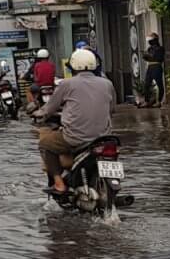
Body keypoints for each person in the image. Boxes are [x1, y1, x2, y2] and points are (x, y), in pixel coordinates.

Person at [34, 48, 114, 194]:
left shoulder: (67, 84)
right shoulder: (107, 83)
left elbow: (49, 109)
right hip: (104, 138)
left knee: (45, 144)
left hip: (75, 137)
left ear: (73, 67)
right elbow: (112, 109)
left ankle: (59, 184)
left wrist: (38, 113)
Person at [139, 32, 167, 108]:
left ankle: (159, 101)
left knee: (159, 84)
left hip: (157, 66)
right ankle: (146, 101)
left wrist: (150, 55)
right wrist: (145, 55)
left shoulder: (160, 48)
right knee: (146, 84)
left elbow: (159, 58)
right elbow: (147, 58)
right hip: (150, 66)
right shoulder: (149, 48)